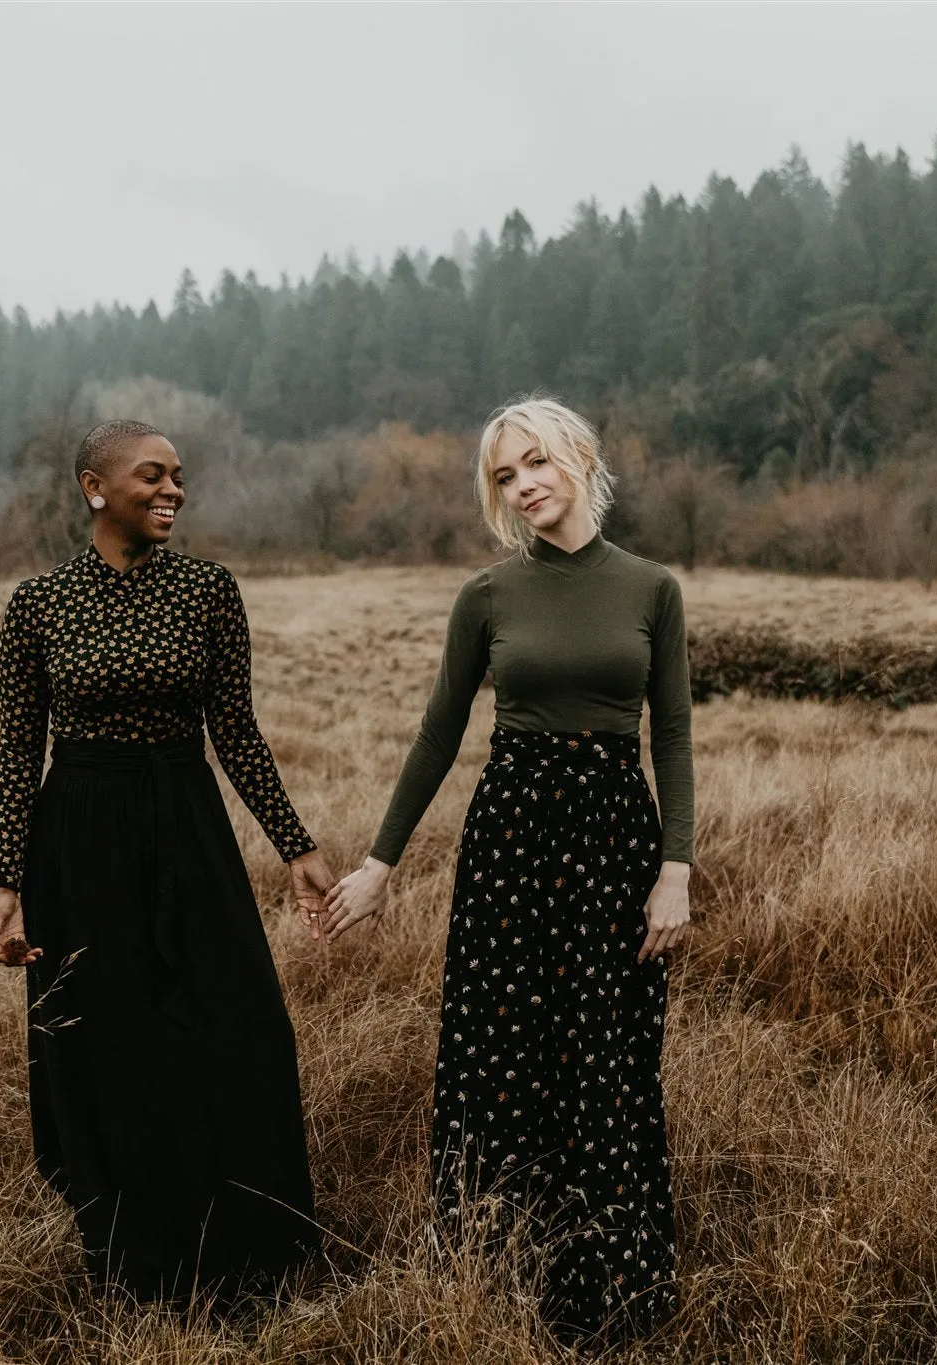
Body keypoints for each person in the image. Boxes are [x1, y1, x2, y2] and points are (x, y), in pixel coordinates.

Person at [320, 396, 693, 1339]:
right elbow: (440, 733)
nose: (522, 485)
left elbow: (675, 737)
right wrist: (379, 864)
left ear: (576, 457)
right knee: (501, 1054)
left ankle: (612, 1290)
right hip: (512, 842)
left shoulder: (652, 588)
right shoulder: (488, 595)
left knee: (606, 1056)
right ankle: (497, 1270)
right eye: (503, 475)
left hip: (614, 836)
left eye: (534, 463)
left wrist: (676, 870)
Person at [0, 418, 333, 1302]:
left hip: (187, 824)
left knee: (242, 1025)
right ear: (95, 488)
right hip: (81, 836)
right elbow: (20, 752)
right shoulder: (39, 604)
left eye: (180, 476)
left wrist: (295, 846)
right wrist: (5, 883)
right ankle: (136, 1254)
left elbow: (236, 731)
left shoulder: (210, 592)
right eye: (153, 475)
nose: (174, 490)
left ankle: (255, 1247)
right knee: (110, 1044)